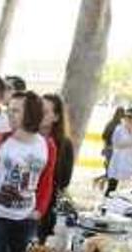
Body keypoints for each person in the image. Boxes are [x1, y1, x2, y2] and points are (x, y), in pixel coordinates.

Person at [0, 91, 56, 252]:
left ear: (31, 113)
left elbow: (46, 181)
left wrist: (38, 211)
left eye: (16, 111)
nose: (9, 115)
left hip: (27, 219)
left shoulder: (47, 145)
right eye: (9, 110)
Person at [38, 94, 75, 239]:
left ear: (56, 117)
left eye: (45, 112)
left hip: (47, 205)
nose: (39, 115)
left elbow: (64, 180)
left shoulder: (64, 144)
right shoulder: (26, 138)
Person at [106, 107, 132, 196]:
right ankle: (106, 206)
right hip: (118, 161)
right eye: (126, 116)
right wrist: (131, 142)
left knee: (126, 190)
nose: (128, 118)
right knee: (112, 187)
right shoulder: (119, 129)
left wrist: (131, 142)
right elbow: (116, 144)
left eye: (131, 116)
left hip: (131, 161)